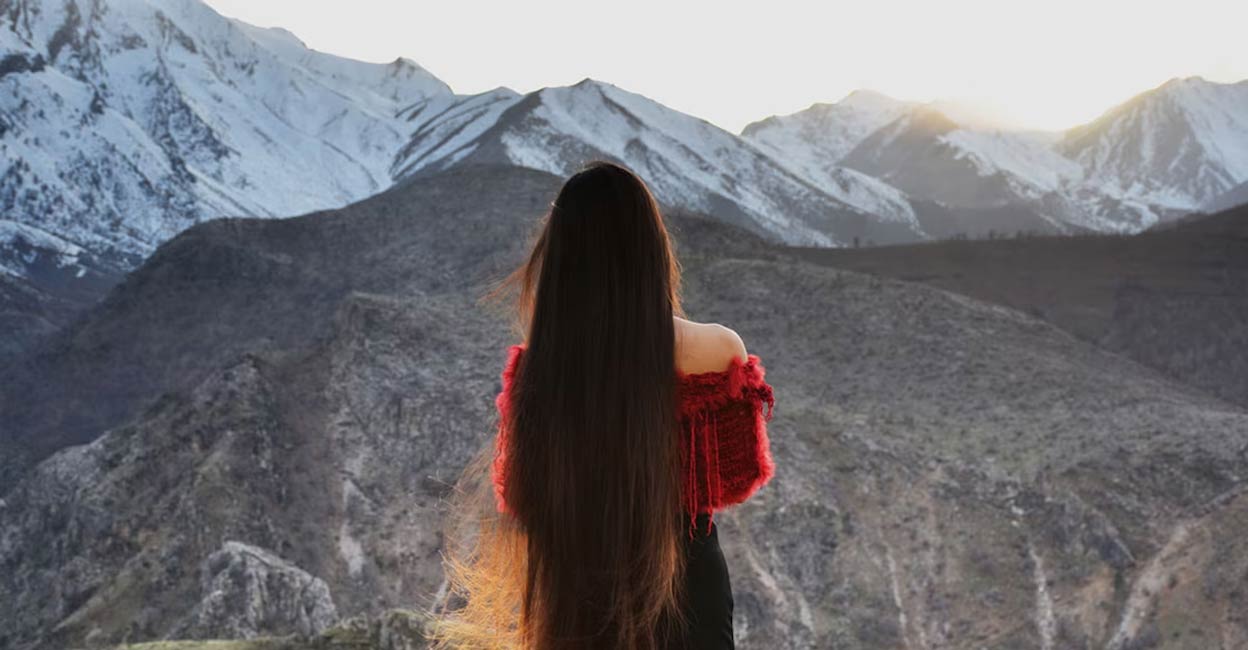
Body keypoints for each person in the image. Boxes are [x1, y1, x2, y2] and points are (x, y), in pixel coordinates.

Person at [431, 160, 776, 649]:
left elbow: (524, 497)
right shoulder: (719, 350)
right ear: (651, 248)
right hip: (688, 583)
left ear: (561, 259)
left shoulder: (542, 368)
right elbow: (736, 478)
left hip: (576, 585)